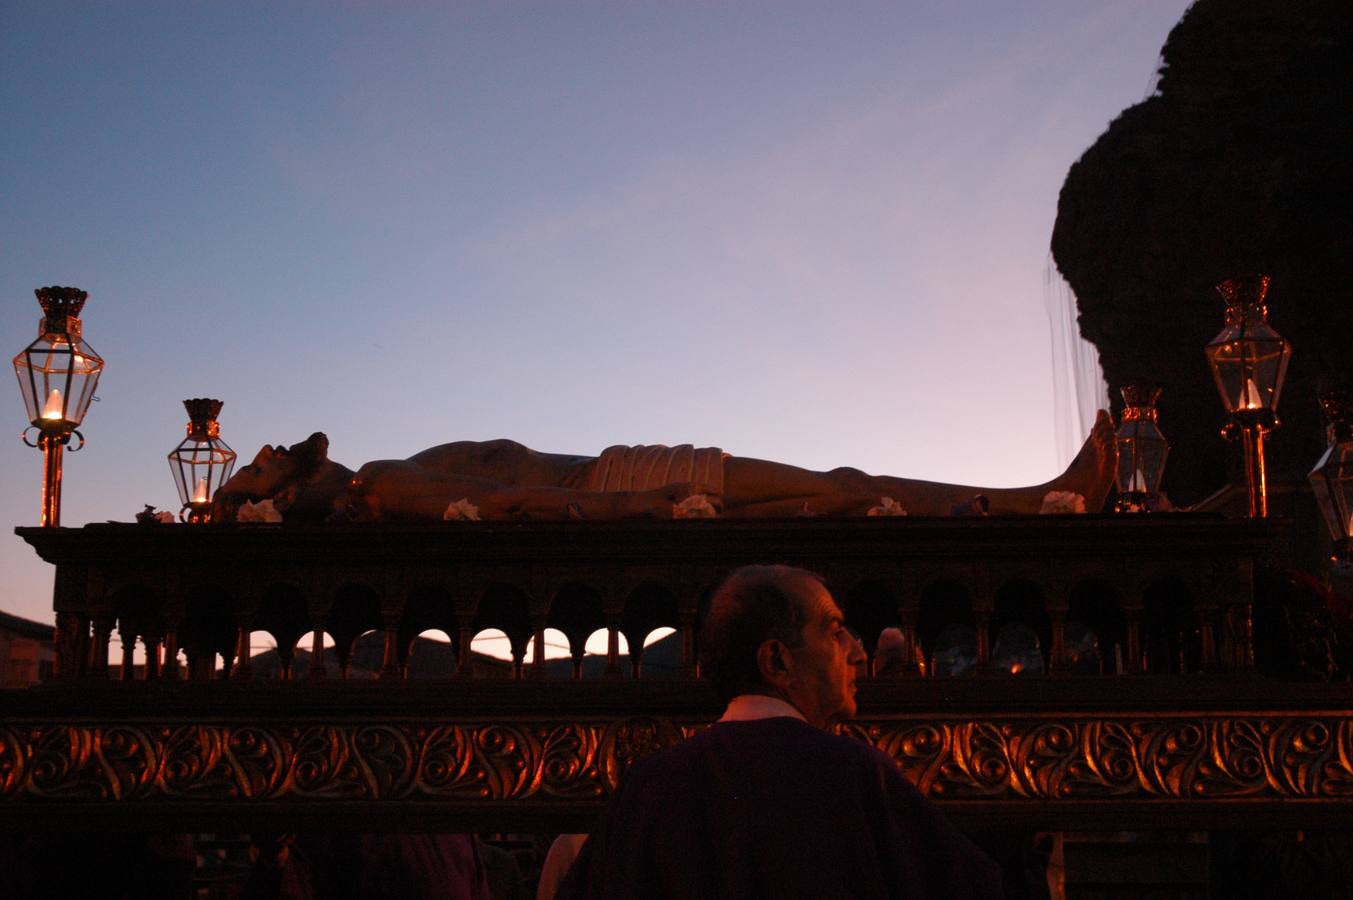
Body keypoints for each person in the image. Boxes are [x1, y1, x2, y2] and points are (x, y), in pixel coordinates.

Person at [554, 565, 1004, 900]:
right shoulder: (857, 776)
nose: (857, 654)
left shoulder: (647, 787)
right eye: (834, 633)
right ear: (776, 662)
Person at [213, 411, 1115, 522]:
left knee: (844, 490)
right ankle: (1038, 498)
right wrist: (650, 496)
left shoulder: (382, 473)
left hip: (620, 474)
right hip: (622, 480)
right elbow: (509, 500)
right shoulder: (381, 480)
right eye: (254, 474)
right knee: (843, 492)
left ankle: (1038, 496)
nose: (259, 455)